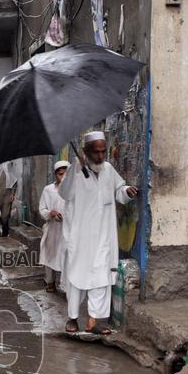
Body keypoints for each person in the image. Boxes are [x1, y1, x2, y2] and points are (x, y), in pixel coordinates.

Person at [58, 131, 138, 335]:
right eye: (97, 152)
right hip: (80, 236)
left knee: (101, 277)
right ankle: (72, 317)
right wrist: (75, 168)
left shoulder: (108, 169)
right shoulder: (75, 171)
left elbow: (119, 190)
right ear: (86, 151)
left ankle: (94, 321)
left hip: (104, 235)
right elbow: (64, 193)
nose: (101, 156)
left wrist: (127, 191)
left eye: (103, 151)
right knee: (77, 277)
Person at [38, 160, 70, 293]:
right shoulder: (48, 190)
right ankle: (50, 281)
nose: (63, 177)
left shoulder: (74, 191)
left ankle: (66, 285)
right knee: (49, 255)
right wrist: (51, 213)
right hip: (52, 230)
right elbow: (42, 209)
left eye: (66, 174)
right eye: (60, 174)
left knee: (66, 256)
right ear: (55, 175)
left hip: (68, 229)